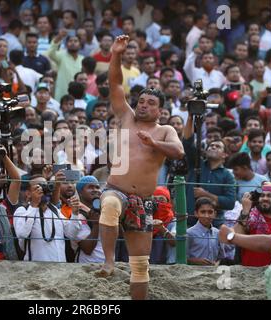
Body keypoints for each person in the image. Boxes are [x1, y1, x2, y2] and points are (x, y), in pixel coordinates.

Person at [97, 35, 184, 300]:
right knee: (110, 205)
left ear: (160, 110)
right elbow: (115, 84)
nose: (143, 105)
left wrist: (153, 142)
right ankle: (109, 261)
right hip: (116, 189)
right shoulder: (126, 117)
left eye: (151, 103)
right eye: (142, 101)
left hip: (144, 200)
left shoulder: (166, 130)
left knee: (140, 266)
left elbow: (179, 152)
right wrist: (116, 54)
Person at [187, 197, 225, 265]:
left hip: (213, 272)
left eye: (210, 212)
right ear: (196, 213)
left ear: (215, 214)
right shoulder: (189, 233)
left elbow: (220, 257)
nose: (207, 216)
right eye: (203, 212)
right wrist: (196, 261)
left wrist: (216, 264)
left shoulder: (218, 233)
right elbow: (181, 258)